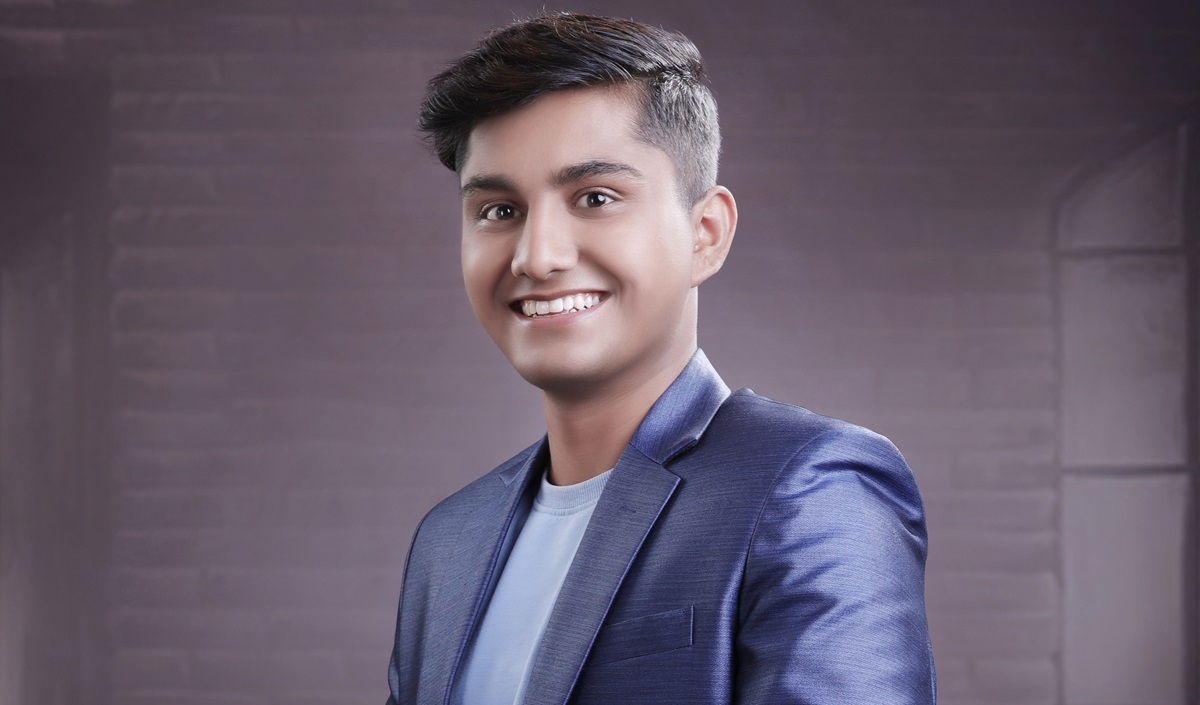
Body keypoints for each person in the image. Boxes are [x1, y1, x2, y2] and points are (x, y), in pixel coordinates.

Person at [386, 12, 935, 705]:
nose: (538, 256)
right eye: (499, 210)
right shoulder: (449, 540)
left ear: (705, 233)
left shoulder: (809, 488)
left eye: (595, 197)